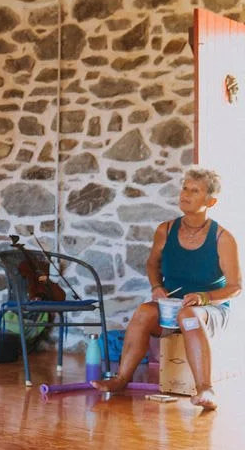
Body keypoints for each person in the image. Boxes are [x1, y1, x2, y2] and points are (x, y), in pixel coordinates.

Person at [92, 168, 240, 410]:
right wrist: (157, 286)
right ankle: (120, 379)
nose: (185, 195)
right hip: (171, 307)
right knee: (144, 311)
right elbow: (152, 264)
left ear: (210, 201)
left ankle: (205, 389)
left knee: (188, 315)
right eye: (185, 188)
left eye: (195, 191)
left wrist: (204, 297)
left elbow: (235, 288)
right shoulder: (166, 230)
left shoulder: (222, 238)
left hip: (210, 309)